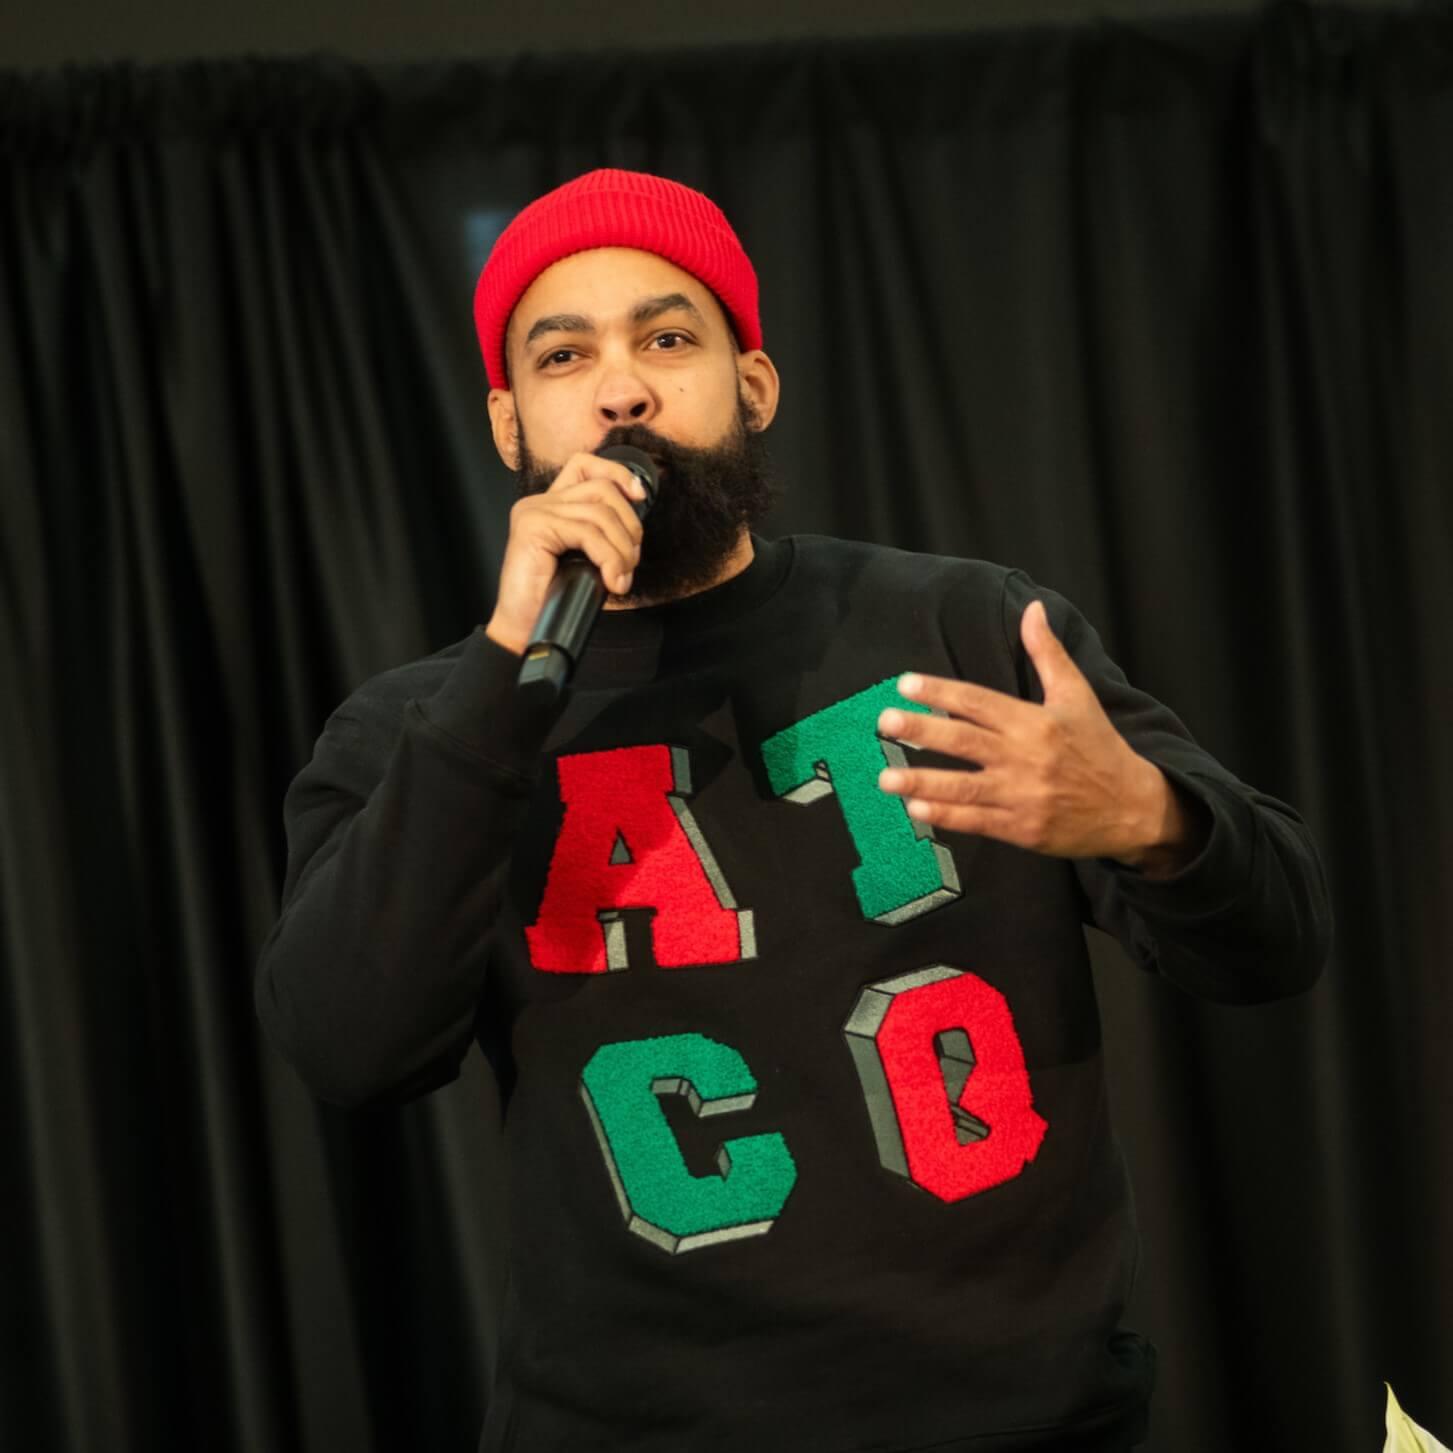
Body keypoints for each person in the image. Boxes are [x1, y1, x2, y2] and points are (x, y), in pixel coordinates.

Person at [254, 167, 1332, 1453]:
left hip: (1022, 1424)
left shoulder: (962, 626)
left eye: (667, 337)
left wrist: (1151, 817)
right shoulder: (421, 730)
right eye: (564, 354)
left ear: (751, 387)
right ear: (507, 424)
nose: (621, 388)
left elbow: (1280, 940)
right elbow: (345, 1045)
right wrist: (501, 674)